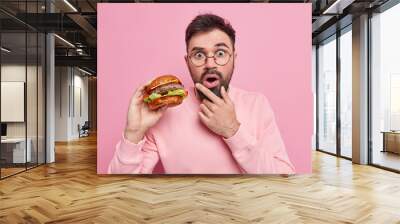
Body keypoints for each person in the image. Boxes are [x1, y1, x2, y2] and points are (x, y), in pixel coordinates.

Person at [108, 13, 295, 174]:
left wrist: (233, 130)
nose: (210, 64)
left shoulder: (257, 104)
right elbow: (122, 187)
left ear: (234, 59)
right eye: (199, 55)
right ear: (187, 61)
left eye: (220, 53)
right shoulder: (165, 111)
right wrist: (133, 133)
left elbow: (284, 177)